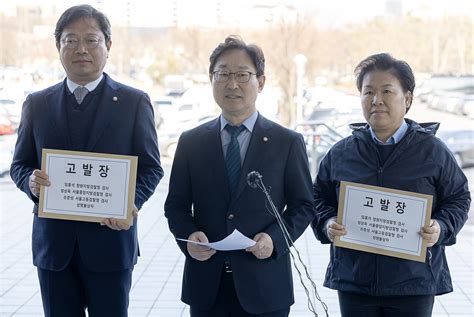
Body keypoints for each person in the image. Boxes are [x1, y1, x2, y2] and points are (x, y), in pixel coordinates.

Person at [10, 5, 163, 317]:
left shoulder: (134, 102)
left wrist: (131, 203)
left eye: (91, 40)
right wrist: (30, 182)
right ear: (58, 47)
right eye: (70, 40)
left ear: (108, 45)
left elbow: (151, 167)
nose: (81, 49)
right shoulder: (37, 104)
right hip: (54, 248)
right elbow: (19, 163)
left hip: (110, 244)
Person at [164, 35, 315, 316]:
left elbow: (304, 206)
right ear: (211, 79)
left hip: (266, 285)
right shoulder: (191, 142)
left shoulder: (287, 142)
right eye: (222, 74)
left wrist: (274, 241)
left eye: (243, 75)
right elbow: (175, 205)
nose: (232, 84)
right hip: (207, 285)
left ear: (261, 81)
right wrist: (188, 237)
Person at [312, 53, 471, 317]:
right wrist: (327, 223)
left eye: (387, 91)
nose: (377, 100)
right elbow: (318, 197)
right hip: (355, 281)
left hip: (413, 283)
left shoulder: (433, 151)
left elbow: (458, 198)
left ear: (407, 98)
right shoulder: (342, 152)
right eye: (368, 92)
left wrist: (441, 228)